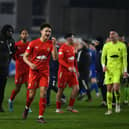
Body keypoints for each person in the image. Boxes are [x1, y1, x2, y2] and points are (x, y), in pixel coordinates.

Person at [22, 23, 57, 123]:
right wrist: (30, 64)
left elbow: (55, 58)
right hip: (34, 72)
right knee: (31, 95)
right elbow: (25, 57)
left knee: (44, 93)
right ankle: (26, 108)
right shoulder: (33, 43)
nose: (48, 33)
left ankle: (40, 117)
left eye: (49, 31)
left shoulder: (51, 44)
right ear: (41, 32)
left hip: (44, 72)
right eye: (46, 31)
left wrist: (54, 45)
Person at [101, 30, 128, 115]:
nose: (111, 36)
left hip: (117, 69)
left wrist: (125, 71)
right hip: (109, 70)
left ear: (117, 36)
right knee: (108, 89)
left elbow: (124, 59)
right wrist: (103, 66)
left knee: (116, 88)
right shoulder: (106, 45)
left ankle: (118, 103)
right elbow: (102, 57)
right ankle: (109, 109)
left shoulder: (122, 46)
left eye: (113, 35)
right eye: (110, 35)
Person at [56, 33, 79, 113]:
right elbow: (60, 60)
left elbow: (74, 60)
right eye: (71, 38)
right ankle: (58, 109)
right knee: (60, 90)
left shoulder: (73, 47)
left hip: (72, 72)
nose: (72, 39)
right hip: (63, 72)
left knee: (76, 88)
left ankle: (70, 107)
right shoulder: (62, 48)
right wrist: (68, 67)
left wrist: (76, 70)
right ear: (67, 39)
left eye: (73, 38)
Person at [8, 29, 30, 112]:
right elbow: (14, 56)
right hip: (19, 70)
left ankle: (27, 106)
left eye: (26, 34)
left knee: (29, 87)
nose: (24, 35)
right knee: (18, 88)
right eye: (23, 34)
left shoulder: (29, 45)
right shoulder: (16, 45)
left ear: (27, 35)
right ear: (20, 35)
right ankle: (10, 100)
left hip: (28, 69)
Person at [0, 24, 15, 112]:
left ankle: (0, 105)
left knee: (2, 88)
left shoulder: (11, 41)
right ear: (5, 31)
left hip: (4, 69)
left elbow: (13, 53)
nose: (10, 33)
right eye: (9, 31)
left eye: (12, 31)